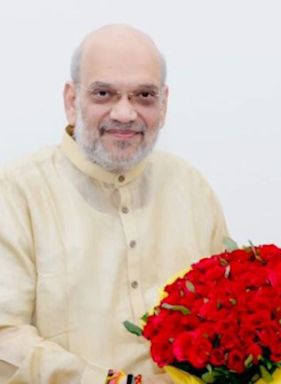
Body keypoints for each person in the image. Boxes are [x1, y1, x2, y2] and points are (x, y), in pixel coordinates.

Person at [0, 24, 228, 383]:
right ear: (72, 101)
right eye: (104, 94)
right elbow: (5, 336)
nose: (125, 114)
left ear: (164, 104)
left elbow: (230, 319)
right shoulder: (16, 192)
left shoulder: (191, 188)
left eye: (144, 96)